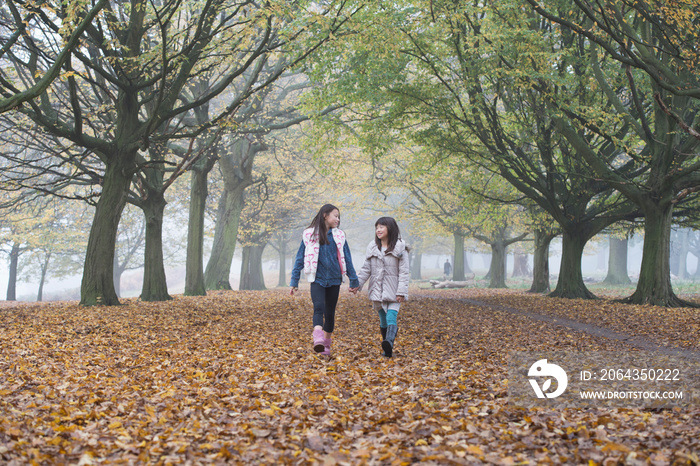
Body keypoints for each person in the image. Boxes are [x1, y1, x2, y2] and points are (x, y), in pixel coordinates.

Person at [290, 204, 359, 356]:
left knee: (329, 313)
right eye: (335, 215)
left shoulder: (340, 236)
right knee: (318, 307)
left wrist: (354, 280)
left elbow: (347, 258)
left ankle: (326, 346)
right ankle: (318, 339)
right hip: (317, 279)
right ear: (325, 215)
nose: (338, 219)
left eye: (339, 217)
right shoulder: (309, 235)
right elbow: (299, 258)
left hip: (334, 279)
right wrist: (294, 280)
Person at [354, 217, 409, 358]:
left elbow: (404, 272)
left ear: (390, 228)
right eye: (377, 227)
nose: (378, 230)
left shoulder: (400, 248)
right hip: (377, 290)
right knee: (383, 319)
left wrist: (401, 291)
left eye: (382, 227)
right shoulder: (372, 247)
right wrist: (357, 285)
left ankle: (389, 342)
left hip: (394, 290)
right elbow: (366, 269)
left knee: (391, 316)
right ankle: (387, 348)